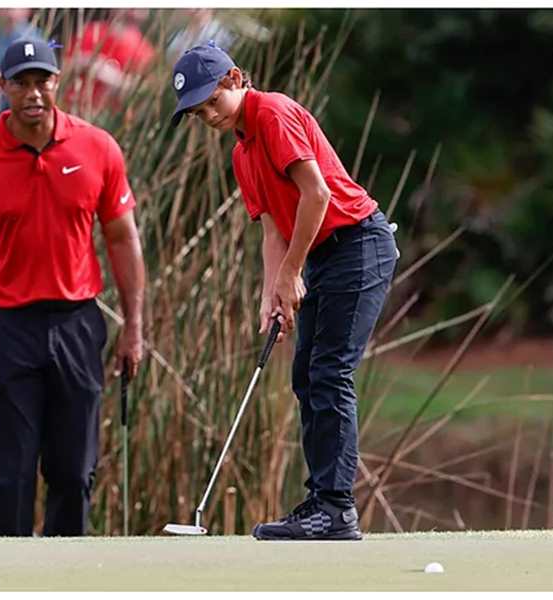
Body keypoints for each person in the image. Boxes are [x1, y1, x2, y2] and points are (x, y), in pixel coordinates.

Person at [169, 43, 399, 541]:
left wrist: (292, 272)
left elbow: (317, 195)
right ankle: (321, 502)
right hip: (323, 254)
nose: (209, 115)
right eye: (198, 112)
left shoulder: (272, 113)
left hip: (358, 244)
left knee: (330, 371)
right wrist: (270, 292)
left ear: (235, 78)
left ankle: (336, 509)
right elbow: (273, 229)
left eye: (212, 101)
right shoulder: (241, 152)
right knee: (306, 375)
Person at [0, 38, 145, 536]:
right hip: (7, 328)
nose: (33, 93)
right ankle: (11, 573)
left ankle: (65, 572)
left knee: (74, 472)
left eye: (42, 81)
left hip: (77, 323)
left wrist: (134, 326)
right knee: (12, 476)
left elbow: (122, 238)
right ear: (2, 86)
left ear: (57, 82)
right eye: (21, 83)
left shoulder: (98, 147)